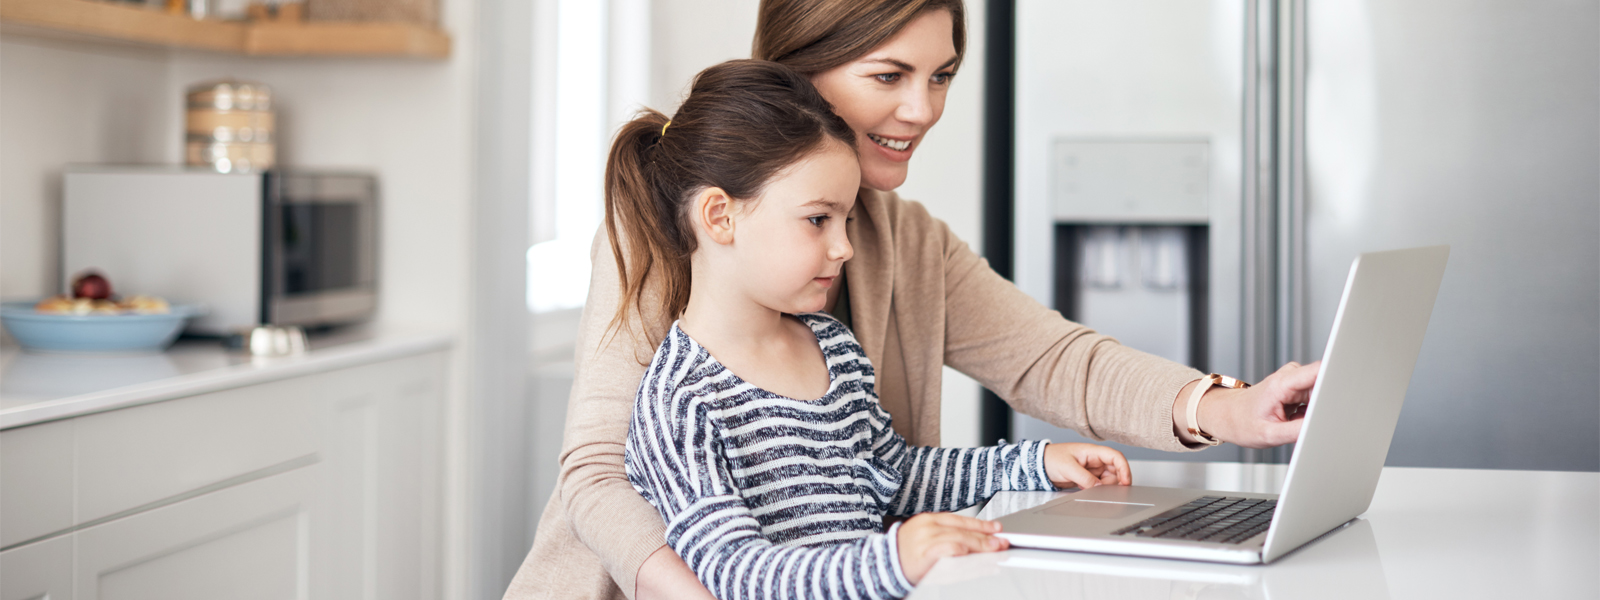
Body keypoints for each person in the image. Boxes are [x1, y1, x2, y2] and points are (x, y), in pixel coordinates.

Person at [503, 1, 1319, 599]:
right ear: (796, 77)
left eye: (941, 76)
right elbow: (600, 470)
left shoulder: (905, 239)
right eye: (889, 76)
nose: (922, 109)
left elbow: (1048, 361)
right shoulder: (666, 221)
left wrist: (1230, 410)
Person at [609, 59, 1134, 600]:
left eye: (846, 222)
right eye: (818, 220)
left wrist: (1032, 464)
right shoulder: (681, 401)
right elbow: (737, 573)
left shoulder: (832, 347)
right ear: (720, 217)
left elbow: (897, 475)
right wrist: (894, 559)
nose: (844, 248)